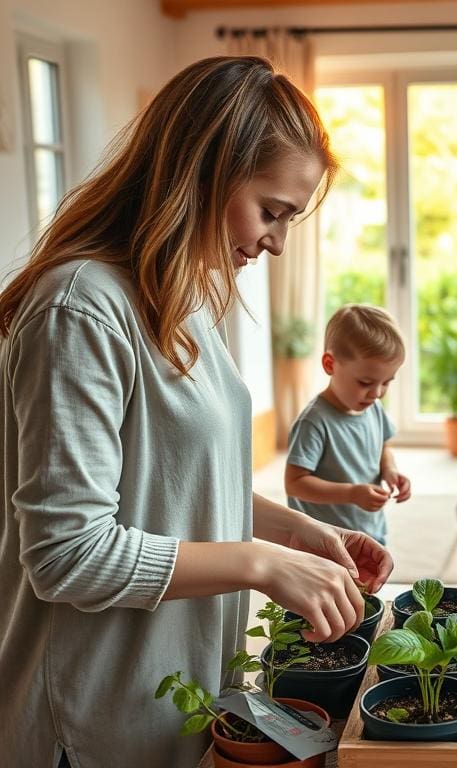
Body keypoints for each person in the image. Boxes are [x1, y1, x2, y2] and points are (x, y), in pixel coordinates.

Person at [0, 56, 393, 768]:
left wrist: (300, 532)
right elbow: (67, 555)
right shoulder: (80, 309)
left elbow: (176, 481)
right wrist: (261, 564)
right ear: (202, 171)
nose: (275, 241)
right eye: (271, 211)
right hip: (90, 722)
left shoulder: (188, 302)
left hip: (171, 697)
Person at [285, 304, 411, 545]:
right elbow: (295, 484)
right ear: (330, 365)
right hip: (324, 542)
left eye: (387, 382)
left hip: (369, 531)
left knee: (370, 581)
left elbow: (383, 448)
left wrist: (390, 470)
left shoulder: (373, 408)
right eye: (366, 382)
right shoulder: (314, 421)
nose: (377, 392)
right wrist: (352, 493)